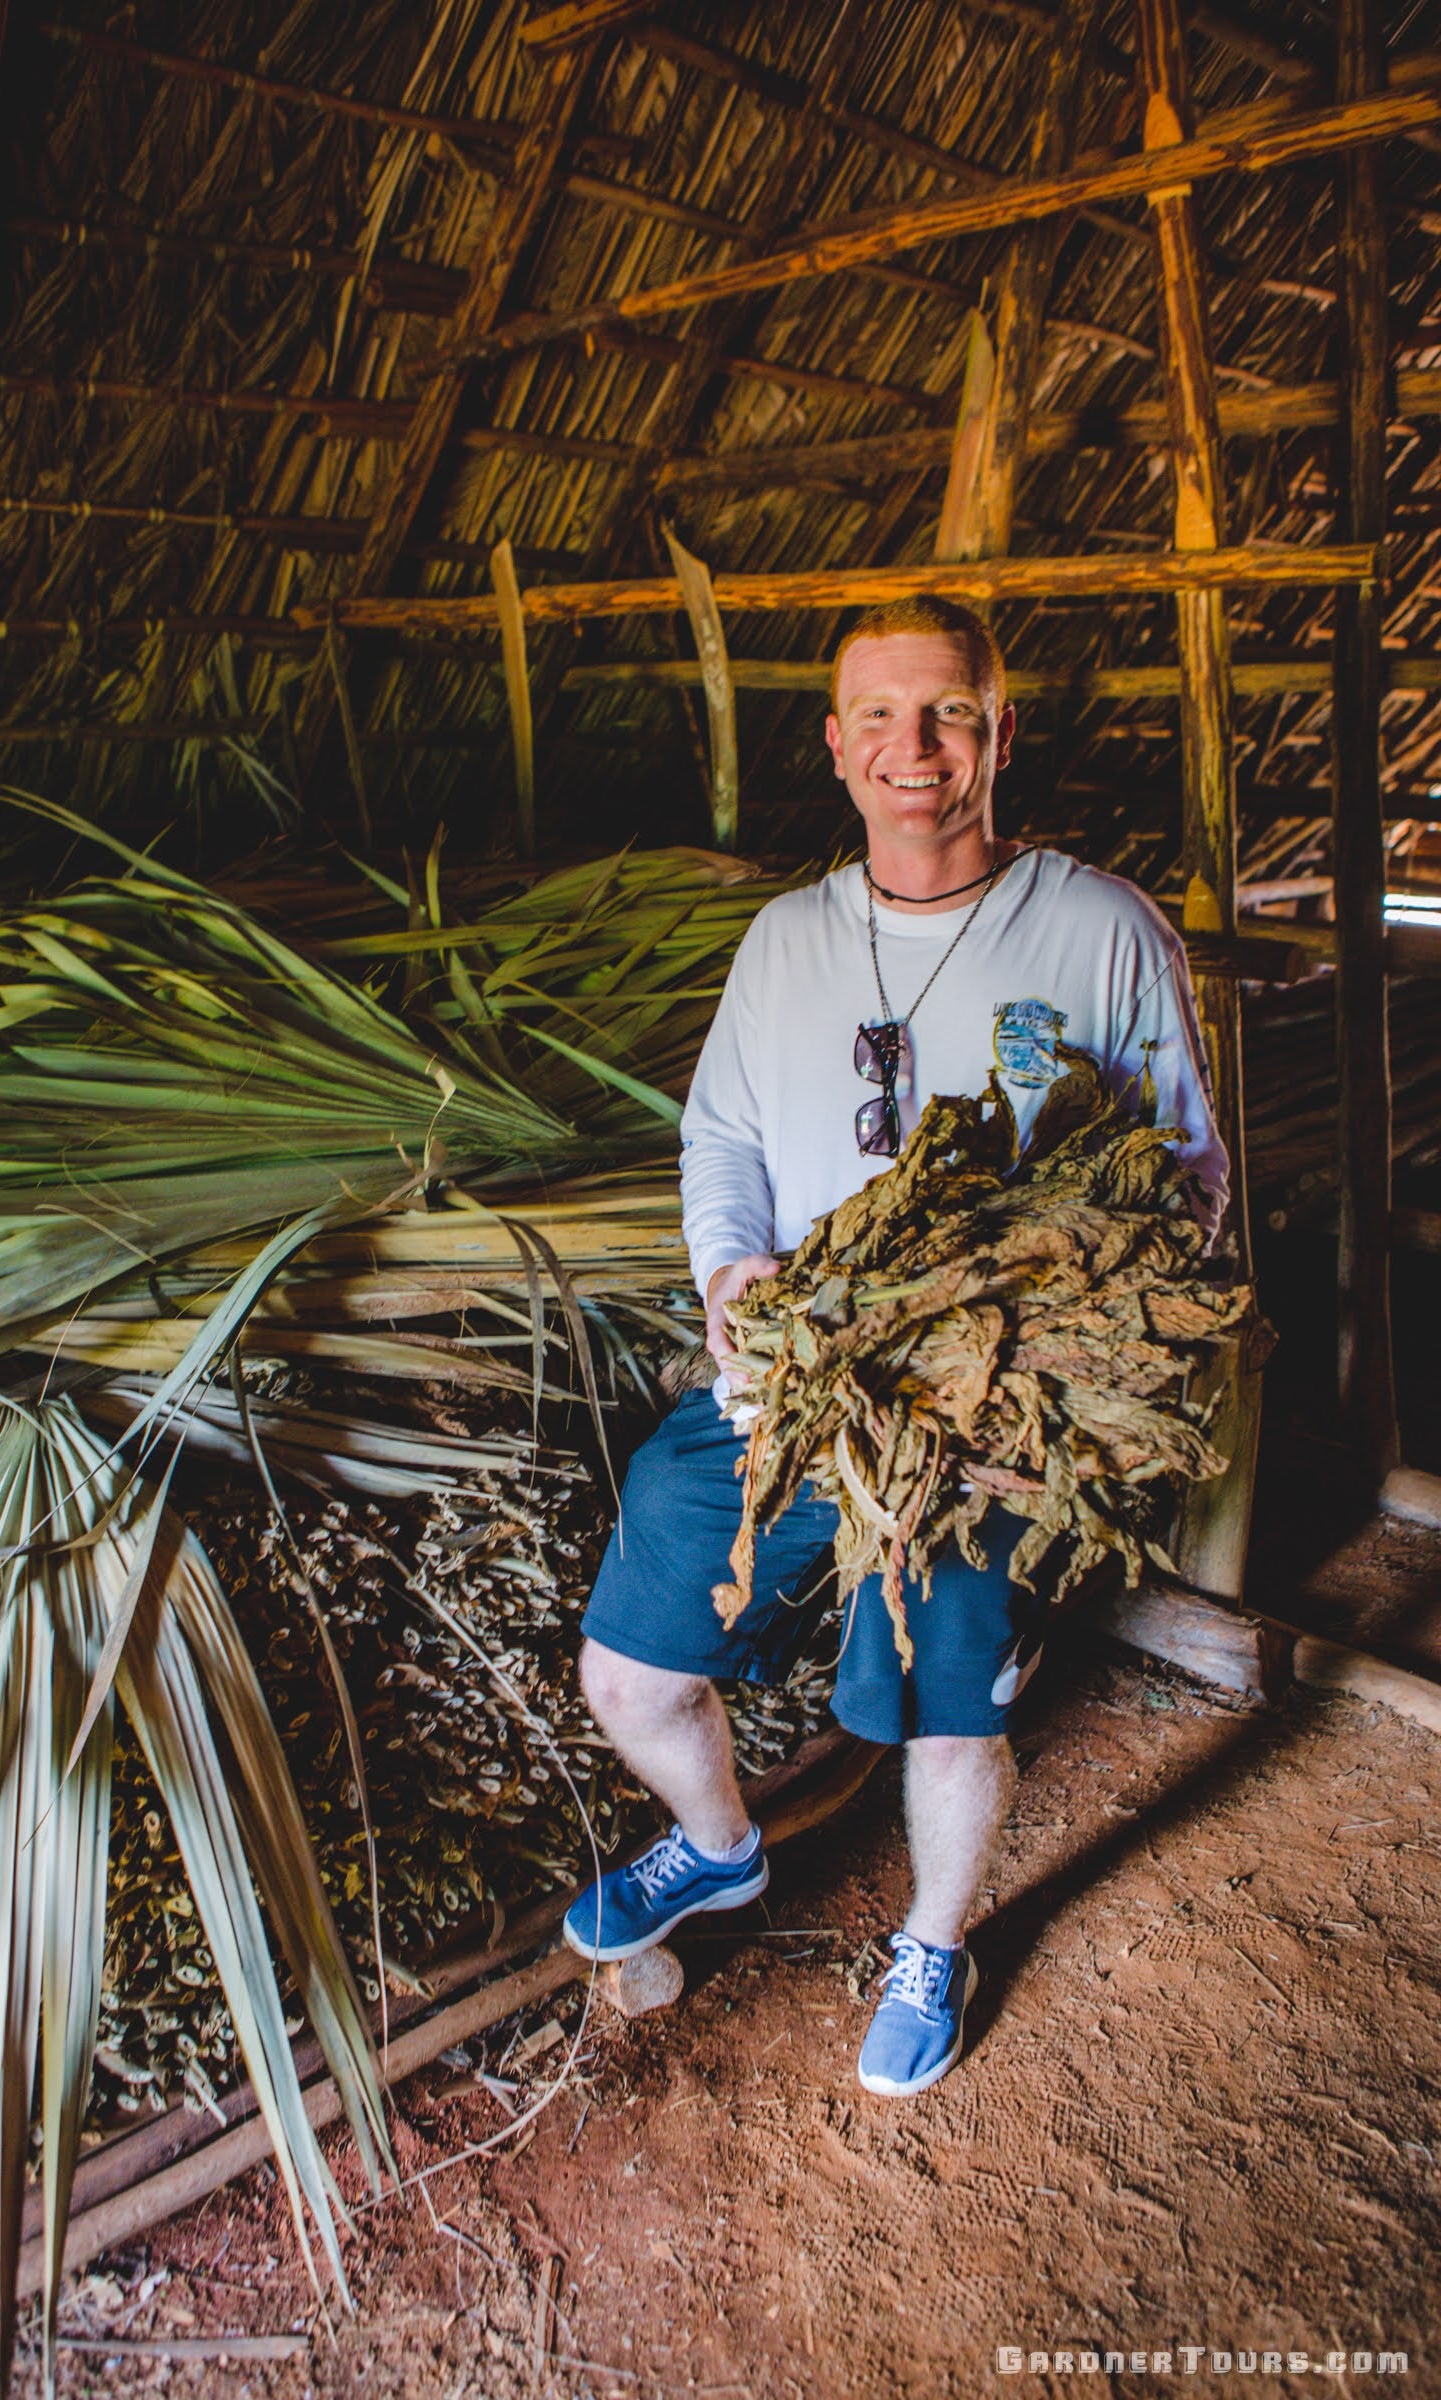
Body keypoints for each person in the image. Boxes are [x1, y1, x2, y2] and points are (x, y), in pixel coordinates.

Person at [562, 596, 1227, 2097]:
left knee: (941, 1726)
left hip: (982, 1415)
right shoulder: (788, 940)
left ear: (999, 731)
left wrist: (1057, 1350)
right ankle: (722, 1851)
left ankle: (934, 1937)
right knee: (631, 1675)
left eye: (946, 714)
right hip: (786, 1378)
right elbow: (721, 1134)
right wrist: (733, 1266)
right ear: (837, 744)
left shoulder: (1099, 928)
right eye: (880, 717)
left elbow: (1182, 1167)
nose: (910, 749)